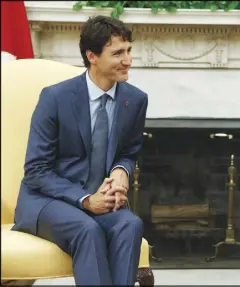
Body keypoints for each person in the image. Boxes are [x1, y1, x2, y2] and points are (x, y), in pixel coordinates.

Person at [12, 15, 148, 285]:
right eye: (118, 53)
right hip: (46, 202)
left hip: (102, 200)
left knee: (130, 224)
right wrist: (86, 200)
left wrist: (122, 170)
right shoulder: (54, 97)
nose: (128, 60)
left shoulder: (135, 99)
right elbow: (36, 171)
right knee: (87, 229)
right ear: (92, 56)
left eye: (129, 50)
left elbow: (128, 152)